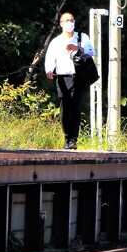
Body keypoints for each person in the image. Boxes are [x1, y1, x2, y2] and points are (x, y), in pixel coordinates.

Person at [45, 11, 95, 149]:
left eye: (71, 20)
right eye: (66, 20)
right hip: (62, 77)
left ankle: (73, 140)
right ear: (61, 24)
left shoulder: (81, 37)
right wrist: (49, 70)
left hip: (79, 77)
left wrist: (77, 48)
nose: (69, 23)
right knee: (65, 110)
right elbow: (50, 57)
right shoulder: (56, 41)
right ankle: (67, 137)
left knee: (75, 108)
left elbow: (92, 51)